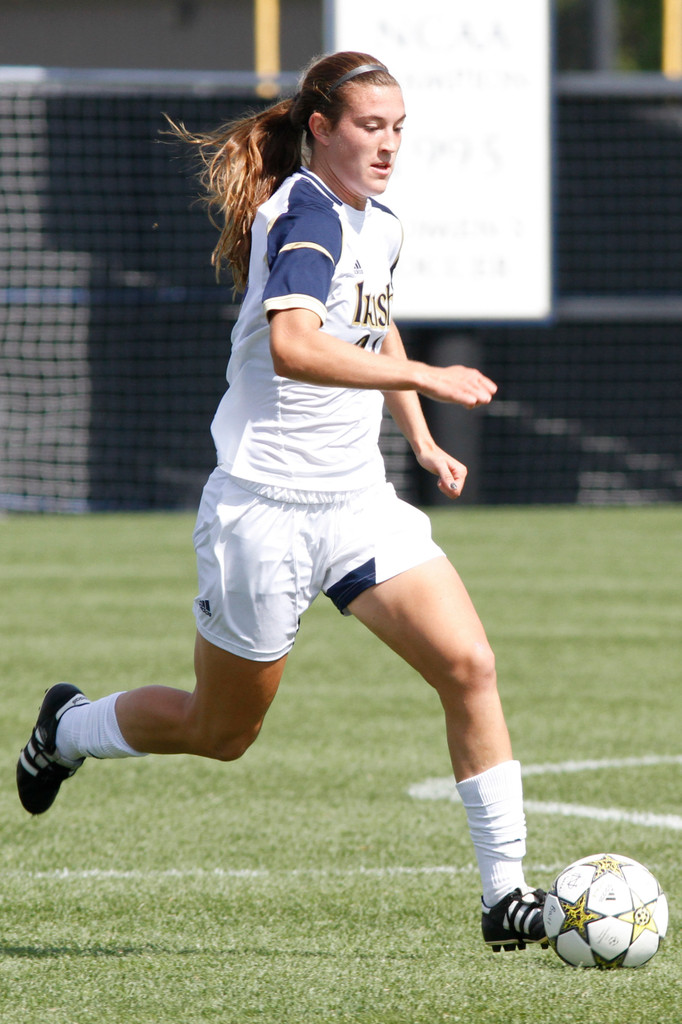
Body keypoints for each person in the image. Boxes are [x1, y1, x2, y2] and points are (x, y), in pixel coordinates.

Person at [17, 51, 547, 953]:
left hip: (356, 504)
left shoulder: (375, 221)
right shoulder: (302, 210)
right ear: (322, 129)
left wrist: (416, 435)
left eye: (399, 129)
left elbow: (370, 319)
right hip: (263, 509)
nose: (388, 146)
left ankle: (506, 900)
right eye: (371, 128)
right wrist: (425, 375)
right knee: (218, 731)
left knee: (469, 666)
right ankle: (67, 728)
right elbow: (298, 345)